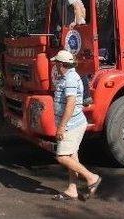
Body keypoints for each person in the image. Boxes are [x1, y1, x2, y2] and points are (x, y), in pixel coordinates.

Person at [50, 50, 101, 201]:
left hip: (71, 125)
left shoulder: (70, 79)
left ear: (61, 64)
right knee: (72, 156)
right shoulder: (68, 76)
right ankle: (72, 189)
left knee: (62, 156)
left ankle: (92, 178)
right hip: (73, 123)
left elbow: (71, 104)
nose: (56, 65)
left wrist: (61, 126)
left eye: (56, 63)